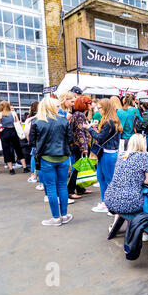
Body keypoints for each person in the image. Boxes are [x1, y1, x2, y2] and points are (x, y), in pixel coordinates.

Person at [29, 97, 74, 226]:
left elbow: (32, 142)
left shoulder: (37, 121)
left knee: (51, 188)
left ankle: (55, 218)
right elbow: (70, 139)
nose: (59, 108)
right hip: (64, 157)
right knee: (62, 185)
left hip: (46, 158)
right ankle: (64, 215)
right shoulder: (63, 120)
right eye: (57, 106)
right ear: (53, 107)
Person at [105, 134, 148, 236]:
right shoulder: (144, 157)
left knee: (122, 193)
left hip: (111, 199)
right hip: (130, 202)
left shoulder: (121, 155)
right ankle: (144, 231)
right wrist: (139, 180)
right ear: (143, 144)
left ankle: (114, 225)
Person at [85, 98, 122, 214]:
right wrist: (95, 129)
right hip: (107, 153)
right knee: (101, 178)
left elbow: (100, 138)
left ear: (105, 108)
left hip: (108, 154)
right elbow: (103, 136)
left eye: (99, 108)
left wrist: (90, 129)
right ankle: (105, 203)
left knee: (108, 180)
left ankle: (112, 205)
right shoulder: (111, 120)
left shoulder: (108, 121)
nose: (98, 110)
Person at [0, 101, 29, 174]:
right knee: (18, 149)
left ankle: (11, 169)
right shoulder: (13, 113)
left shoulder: (0, 114)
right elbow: (18, 123)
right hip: (13, 132)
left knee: (6, 150)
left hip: (5, 132)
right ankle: (25, 168)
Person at [67, 96, 93, 199]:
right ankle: (70, 190)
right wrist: (84, 147)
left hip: (78, 145)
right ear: (84, 105)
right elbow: (79, 132)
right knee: (78, 169)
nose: (90, 105)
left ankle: (80, 189)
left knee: (80, 168)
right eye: (89, 103)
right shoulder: (80, 115)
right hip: (80, 146)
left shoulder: (78, 114)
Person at [23, 101, 40, 182]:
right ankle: (35, 175)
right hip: (37, 141)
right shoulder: (37, 118)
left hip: (32, 141)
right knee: (36, 158)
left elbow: (26, 131)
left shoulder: (29, 118)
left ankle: (33, 175)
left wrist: (29, 140)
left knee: (33, 157)